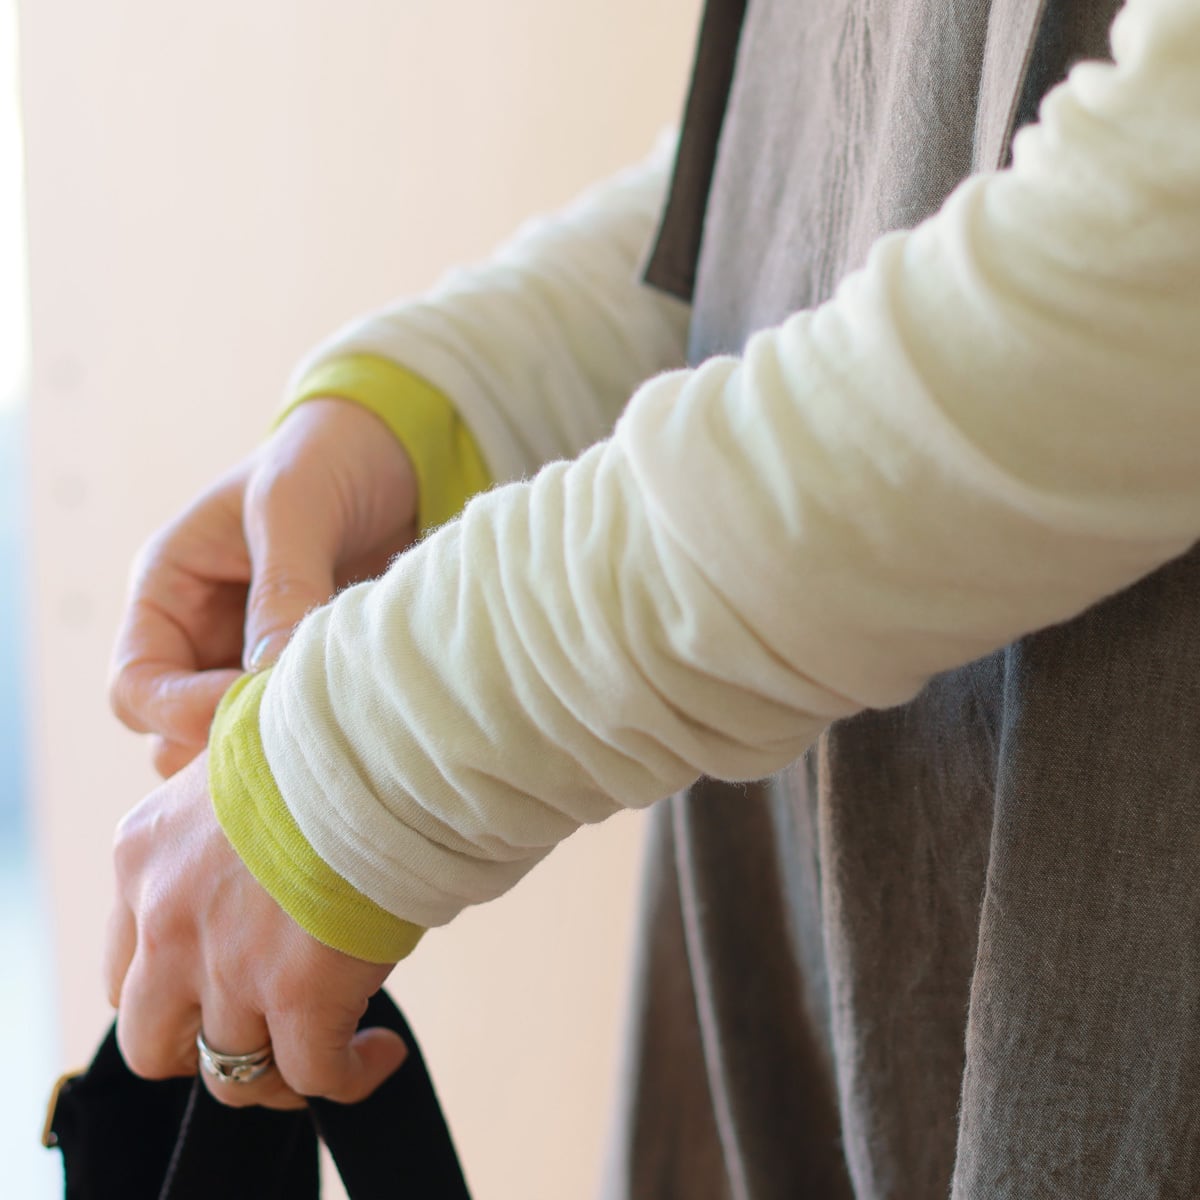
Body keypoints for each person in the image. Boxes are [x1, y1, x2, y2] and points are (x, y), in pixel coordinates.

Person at [105, 0, 1200, 1194]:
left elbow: (1160, 249)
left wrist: (380, 747)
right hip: (837, 960)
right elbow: (838, 121)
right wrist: (459, 404)